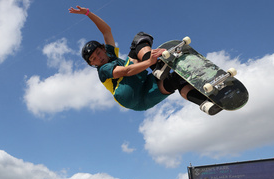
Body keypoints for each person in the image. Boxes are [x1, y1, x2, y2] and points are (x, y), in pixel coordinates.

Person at [68, 6, 222, 115]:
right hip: (126, 92)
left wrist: (88, 13)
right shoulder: (103, 70)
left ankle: (205, 104)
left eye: (98, 53)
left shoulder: (109, 54)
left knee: (175, 80)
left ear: (103, 49)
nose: (99, 58)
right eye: (94, 59)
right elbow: (126, 71)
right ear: (92, 64)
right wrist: (150, 62)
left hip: (142, 99)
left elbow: (106, 30)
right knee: (139, 41)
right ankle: (157, 66)